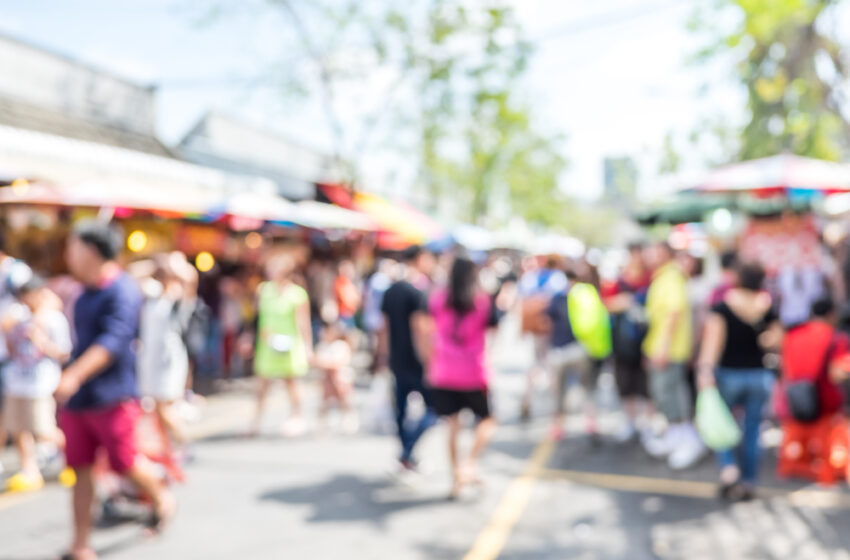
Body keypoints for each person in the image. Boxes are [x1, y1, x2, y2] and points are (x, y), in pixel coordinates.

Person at [55, 220, 176, 560]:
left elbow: (113, 341)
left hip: (114, 396)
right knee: (79, 472)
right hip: (80, 401)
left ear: (91, 250)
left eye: (72, 246)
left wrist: (75, 374)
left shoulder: (122, 290)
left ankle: (161, 496)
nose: (68, 254)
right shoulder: (82, 293)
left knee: (124, 463)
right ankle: (80, 544)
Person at [697, 262, 782, 501]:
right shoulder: (766, 306)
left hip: (729, 375)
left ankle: (728, 468)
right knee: (753, 430)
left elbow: (712, 344)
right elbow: (775, 340)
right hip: (759, 376)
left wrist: (705, 371)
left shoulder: (723, 307)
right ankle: (748, 482)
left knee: (720, 423)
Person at [424, 255, 498, 498]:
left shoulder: (438, 300)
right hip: (473, 373)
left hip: (444, 372)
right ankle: (469, 464)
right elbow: (494, 333)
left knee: (453, 427)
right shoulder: (482, 301)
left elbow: (428, 331)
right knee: (487, 422)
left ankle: (457, 477)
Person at [1, 275, 71, 492]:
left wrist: (41, 340)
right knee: (20, 428)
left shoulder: (54, 319)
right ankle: (29, 469)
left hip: (40, 382)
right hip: (17, 380)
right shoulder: (19, 316)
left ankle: (74, 458)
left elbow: (63, 352)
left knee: (44, 428)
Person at [642, 242, 705, 470]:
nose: (648, 255)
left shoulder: (671, 277)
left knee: (672, 396)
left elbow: (674, 313)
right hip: (661, 348)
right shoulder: (663, 277)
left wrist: (663, 348)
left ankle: (687, 441)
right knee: (664, 396)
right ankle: (675, 439)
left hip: (669, 351)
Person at [379, 245, 437, 472]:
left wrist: (383, 356)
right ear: (420, 259)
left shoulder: (391, 290)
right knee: (434, 409)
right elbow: (421, 330)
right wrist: (429, 361)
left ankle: (406, 455)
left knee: (401, 412)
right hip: (416, 361)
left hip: (396, 359)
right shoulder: (418, 291)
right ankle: (407, 451)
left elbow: (383, 330)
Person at [252, 254, 313, 437]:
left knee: (291, 383)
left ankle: (297, 416)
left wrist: (308, 346)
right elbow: (256, 318)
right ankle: (256, 422)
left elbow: (303, 323)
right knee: (262, 384)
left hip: (289, 344)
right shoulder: (263, 290)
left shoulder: (297, 294)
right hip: (267, 345)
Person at [136, 255, 191, 451]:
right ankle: (169, 448)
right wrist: (154, 264)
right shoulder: (152, 293)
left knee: (164, 405)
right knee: (156, 407)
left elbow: (190, 277)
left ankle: (183, 444)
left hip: (168, 358)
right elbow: (129, 273)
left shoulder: (177, 297)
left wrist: (173, 264)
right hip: (150, 357)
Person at [604, 243, 651, 442]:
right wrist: (623, 302)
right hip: (623, 343)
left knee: (646, 387)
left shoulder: (651, 279)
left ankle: (647, 425)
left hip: (645, 342)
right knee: (625, 384)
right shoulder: (618, 281)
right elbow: (605, 304)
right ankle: (631, 422)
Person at [517, 255, 568, 421]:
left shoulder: (530, 278)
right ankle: (557, 406)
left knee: (536, 363)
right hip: (550, 326)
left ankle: (527, 399)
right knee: (551, 365)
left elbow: (522, 302)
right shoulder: (557, 278)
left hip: (536, 328)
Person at [547, 268, 594, 441]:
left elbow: (548, 319)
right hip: (581, 349)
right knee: (585, 387)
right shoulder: (587, 296)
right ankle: (590, 422)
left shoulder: (559, 298)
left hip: (561, 350)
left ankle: (559, 426)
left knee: (560, 391)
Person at [0, 235, 32, 476]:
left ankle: (29, 464)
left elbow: (37, 301)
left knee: (16, 414)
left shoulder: (16, 272)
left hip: (13, 356)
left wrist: (13, 319)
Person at [314, 321, 358, 433]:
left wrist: (325, 364)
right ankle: (323, 421)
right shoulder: (322, 346)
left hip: (341, 379)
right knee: (324, 400)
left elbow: (338, 363)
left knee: (344, 399)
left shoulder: (341, 346)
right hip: (327, 379)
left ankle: (348, 417)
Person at [334, 259, 362, 331]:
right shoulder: (341, 282)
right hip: (344, 315)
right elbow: (348, 300)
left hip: (349, 315)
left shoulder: (348, 282)